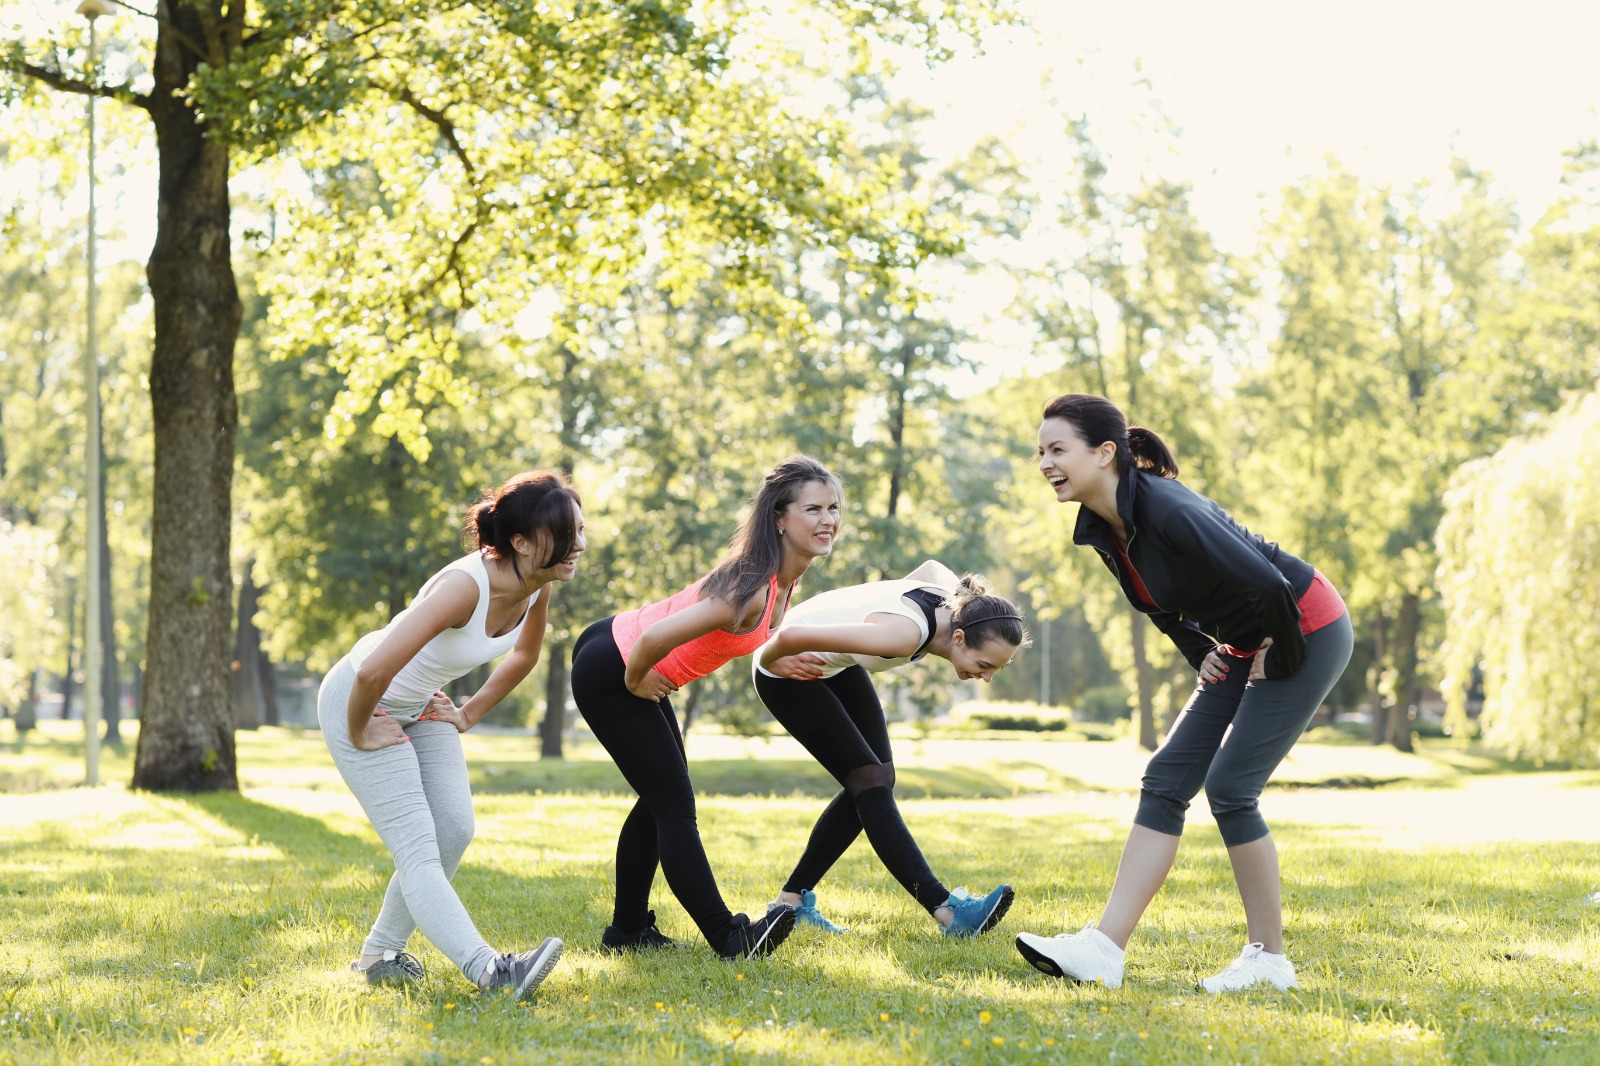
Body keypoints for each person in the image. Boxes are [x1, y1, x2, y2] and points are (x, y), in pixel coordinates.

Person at [1014, 394, 1352, 993]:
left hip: (1307, 625)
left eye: (1058, 449)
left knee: (1230, 788)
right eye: (1041, 451)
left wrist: (1284, 657)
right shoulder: (1101, 527)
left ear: (1106, 452)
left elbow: (1268, 581)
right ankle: (1103, 951)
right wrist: (1204, 653)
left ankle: (1268, 960)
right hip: (1248, 638)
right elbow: (1155, 604)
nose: (1045, 462)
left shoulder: (1168, 508)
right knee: (1167, 778)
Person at [318, 471, 582, 998]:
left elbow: (526, 654)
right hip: (360, 698)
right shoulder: (464, 588)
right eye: (563, 533)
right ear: (521, 542)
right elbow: (372, 670)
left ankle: (378, 954)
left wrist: (468, 713)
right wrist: (359, 730)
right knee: (418, 849)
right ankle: (492, 971)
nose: (577, 545)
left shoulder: (537, 583)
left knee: (454, 830)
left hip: (418, 706)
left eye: (579, 529)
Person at [570, 455, 842, 960]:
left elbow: (746, 640)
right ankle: (730, 937)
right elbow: (655, 637)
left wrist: (779, 661)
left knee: (659, 800)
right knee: (675, 806)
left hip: (619, 653)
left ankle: (628, 930)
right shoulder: (752, 588)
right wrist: (637, 678)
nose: (828, 520)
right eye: (813, 509)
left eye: (833, 507)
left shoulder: (783, 579)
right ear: (780, 518)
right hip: (614, 668)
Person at [753, 560, 1025, 937]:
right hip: (786, 669)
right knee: (869, 781)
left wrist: (878, 604)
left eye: (996, 668)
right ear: (959, 639)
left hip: (836, 666)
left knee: (878, 779)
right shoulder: (902, 636)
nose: (988, 676)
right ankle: (948, 911)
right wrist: (771, 661)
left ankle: (790, 902)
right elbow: (786, 638)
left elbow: (932, 569)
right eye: (983, 664)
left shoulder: (955, 605)